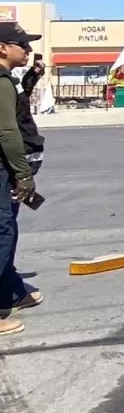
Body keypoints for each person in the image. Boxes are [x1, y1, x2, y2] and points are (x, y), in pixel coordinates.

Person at [0, 23, 42, 337]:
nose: (27, 50)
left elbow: (19, 108)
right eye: (22, 45)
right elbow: (6, 131)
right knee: (2, 232)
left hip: (9, 166)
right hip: (5, 167)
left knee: (8, 230)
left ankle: (13, 291)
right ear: (3, 47)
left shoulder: (9, 80)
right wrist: (22, 174)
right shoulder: (0, 80)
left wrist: (31, 78)